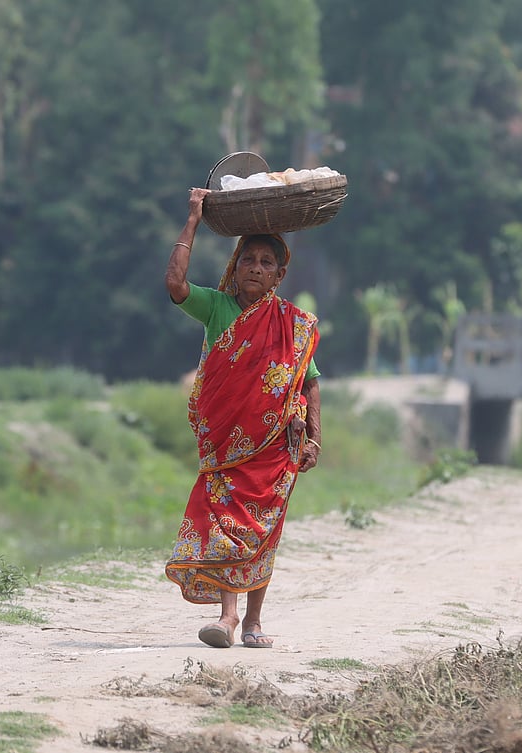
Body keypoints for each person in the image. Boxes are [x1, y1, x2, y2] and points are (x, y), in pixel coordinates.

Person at [163, 187, 322, 649]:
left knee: (263, 530)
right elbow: (175, 284)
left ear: (279, 275)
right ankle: (227, 617)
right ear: (235, 266)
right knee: (226, 526)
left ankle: (252, 621)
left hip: (276, 449)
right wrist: (193, 218)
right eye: (248, 259)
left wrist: (314, 438)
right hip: (225, 445)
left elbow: (309, 382)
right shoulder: (216, 307)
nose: (255, 267)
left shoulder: (293, 324)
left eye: (266, 262)